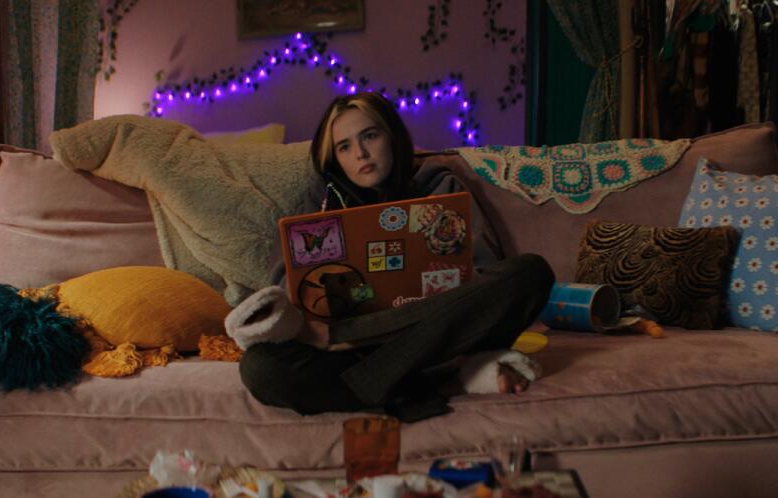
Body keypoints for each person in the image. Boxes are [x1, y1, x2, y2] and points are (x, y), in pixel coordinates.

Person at [232, 92, 554, 422]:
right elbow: (285, 289)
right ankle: (443, 383)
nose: (360, 153)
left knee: (531, 272)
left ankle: (387, 378)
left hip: (439, 337)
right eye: (344, 146)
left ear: (393, 136)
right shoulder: (317, 205)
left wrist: (349, 332)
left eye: (370, 136)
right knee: (259, 368)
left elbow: (485, 273)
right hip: (356, 355)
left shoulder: (440, 186)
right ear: (334, 158)